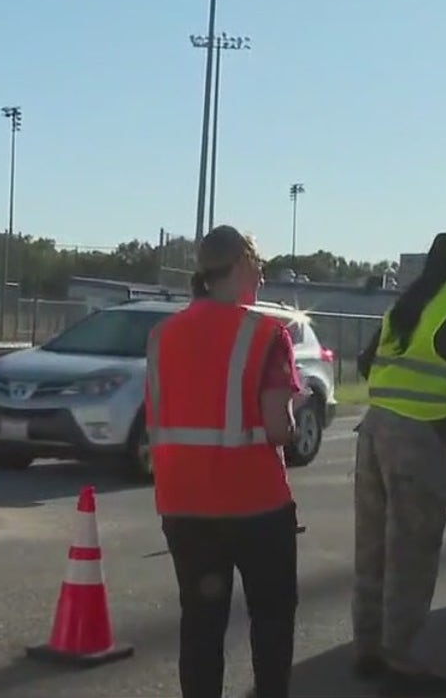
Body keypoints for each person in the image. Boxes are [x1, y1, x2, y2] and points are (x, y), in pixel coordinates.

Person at [145, 226, 305, 698]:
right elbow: (279, 429)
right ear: (240, 263)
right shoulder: (266, 333)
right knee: (272, 621)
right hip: (254, 503)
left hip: (183, 502)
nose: (260, 275)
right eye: (258, 265)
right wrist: (296, 412)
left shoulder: (162, 335)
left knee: (200, 624)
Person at [351, 229, 446, 697]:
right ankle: (400, 659)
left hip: (373, 433)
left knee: (372, 550)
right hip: (417, 439)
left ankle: (368, 648)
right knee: (410, 555)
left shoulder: (408, 303)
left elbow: (364, 363)